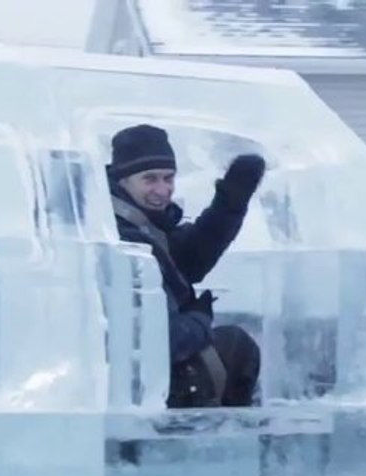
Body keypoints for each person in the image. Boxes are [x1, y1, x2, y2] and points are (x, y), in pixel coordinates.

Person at [106, 123, 265, 408]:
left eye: (168, 178)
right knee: (236, 348)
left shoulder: (144, 223)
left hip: (154, 375)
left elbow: (188, 260)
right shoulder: (121, 237)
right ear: (123, 181)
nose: (162, 189)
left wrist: (231, 202)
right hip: (139, 389)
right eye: (150, 179)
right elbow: (160, 341)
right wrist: (199, 320)